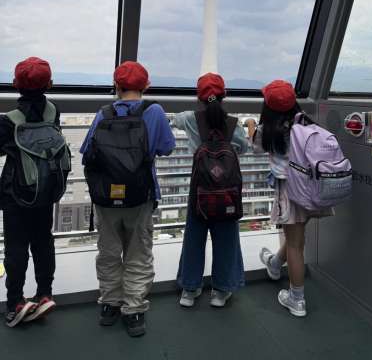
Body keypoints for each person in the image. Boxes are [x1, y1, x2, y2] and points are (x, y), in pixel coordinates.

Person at [80, 61, 175, 337]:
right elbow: (167, 148)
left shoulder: (104, 113)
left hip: (106, 198)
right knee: (138, 252)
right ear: (146, 86)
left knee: (108, 252)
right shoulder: (154, 111)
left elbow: (87, 152)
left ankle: (109, 303)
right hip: (140, 195)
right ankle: (133, 310)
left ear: (117, 86)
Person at [246, 80, 332, 318]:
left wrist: (251, 124)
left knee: (295, 244)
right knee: (297, 236)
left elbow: (255, 147)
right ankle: (275, 264)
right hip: (313, 189)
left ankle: (297, 299)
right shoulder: (305, 122)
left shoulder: (268, 130)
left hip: (290, 191)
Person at [172, 73, 248, 308]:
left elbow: (174, 120)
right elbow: (243, 148)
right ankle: (221, 291)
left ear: (199, 97)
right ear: (225, 95)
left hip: (199, 190)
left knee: (194, 237)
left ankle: (189, 289)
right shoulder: (233, 123)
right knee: (226, 239)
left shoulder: (189, 119)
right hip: (227, 192)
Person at [0, 57, 60, 327]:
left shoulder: (8, 121)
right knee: (43, 242)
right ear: (50, 84)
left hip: (16, 194)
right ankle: (45, 293)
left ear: (15, 84)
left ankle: (15, 302)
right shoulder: (54, 112)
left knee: (16, 248)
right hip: (45, 190)